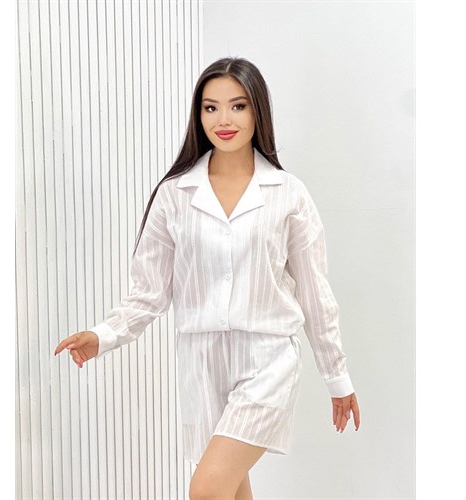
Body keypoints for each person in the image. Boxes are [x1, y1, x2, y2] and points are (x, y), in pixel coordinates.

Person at [54, 56, 361, 500]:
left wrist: (337, 377)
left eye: (238, 106)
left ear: (258, 111)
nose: (224, 119)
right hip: (200, 361)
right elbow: (149, 292)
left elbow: (316, 295)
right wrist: (102, 336)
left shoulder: (289, 194)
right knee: (229, 490)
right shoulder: (174, 194)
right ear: (198, 115)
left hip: (268, 359)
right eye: (210, 107)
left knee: (207, 488)